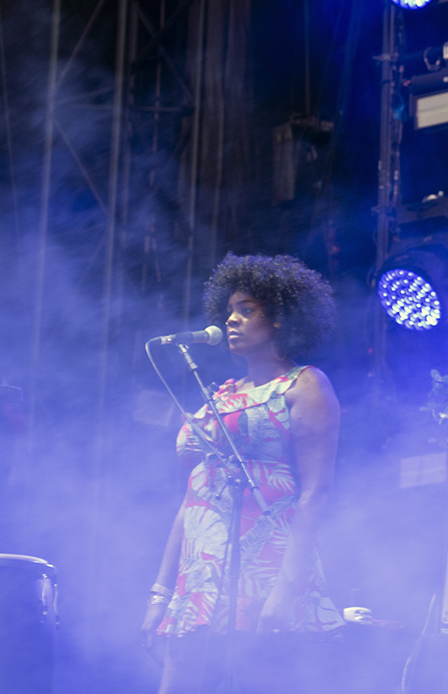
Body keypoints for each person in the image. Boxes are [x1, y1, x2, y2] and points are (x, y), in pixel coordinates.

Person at [146, 254, 343, 693]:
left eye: (246, 310)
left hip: (266, 563)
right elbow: (193, 498)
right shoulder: (221, 394)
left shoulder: (304, 385)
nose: (231, 320)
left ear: (280, 317)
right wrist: (161, 592)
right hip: (200, 571)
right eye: (230, 309)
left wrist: (285, 587)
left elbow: (315, 493)